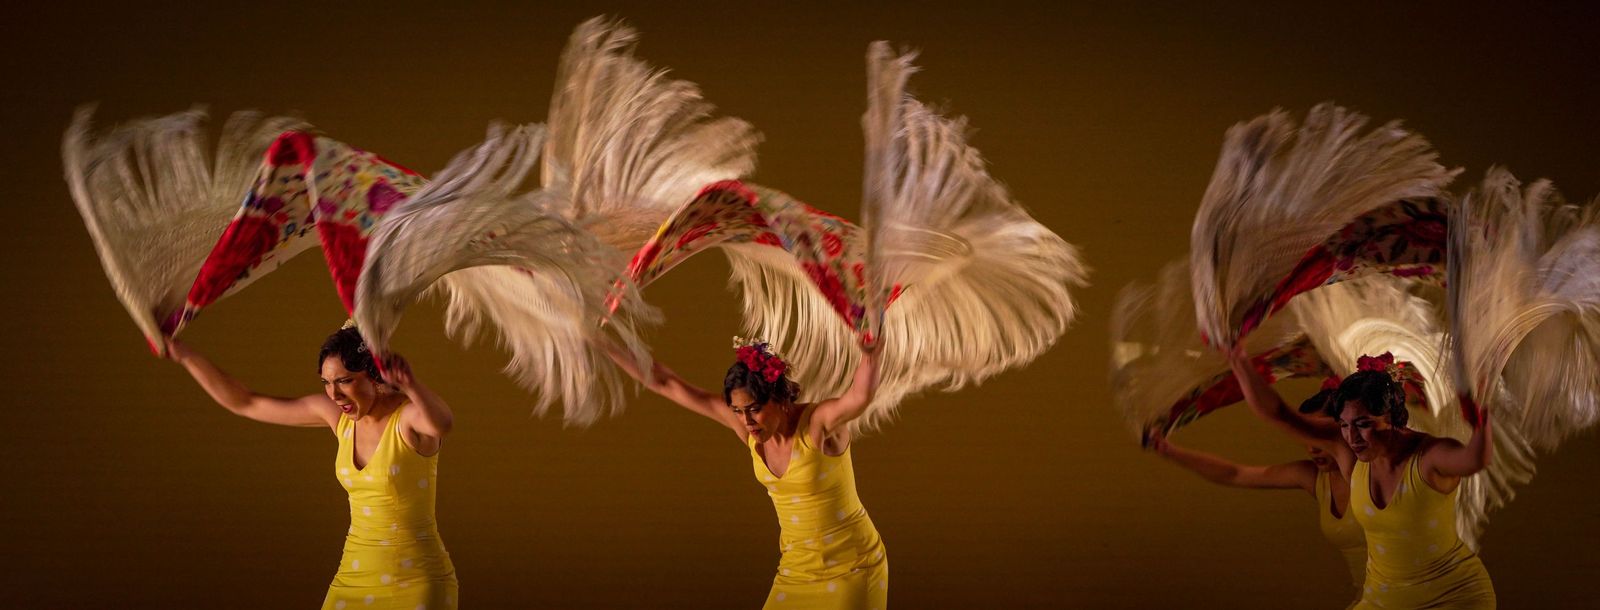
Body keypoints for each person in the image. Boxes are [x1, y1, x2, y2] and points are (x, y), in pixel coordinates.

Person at [165, 323, 458, 609]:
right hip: (353, 577)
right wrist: (186, 355)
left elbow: (442, 423)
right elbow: (247, 403)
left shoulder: (407, 417)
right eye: (326, 383)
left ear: (373, 376)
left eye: (345, 380)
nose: (334, 394)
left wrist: (412, 385)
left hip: (416, 581)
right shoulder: (339, 419)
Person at [605, 337, 889, 609]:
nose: (746, 421)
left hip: (852, 567)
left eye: (754, 409)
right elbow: (665, 382)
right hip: (797, 570)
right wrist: (598, 337)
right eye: (738, 411)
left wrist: (870, 353)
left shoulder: (818, 424)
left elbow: (860, 396)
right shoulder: (749, 430)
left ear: (778, 398)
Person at [1230, 348, 1495, 609]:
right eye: (1344, 425)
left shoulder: (1428, 456)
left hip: (1454, 598)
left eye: (1364, 424)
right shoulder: (1349, 453)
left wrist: (1481, 414)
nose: (1352, 438)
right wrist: (1238, 358)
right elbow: (1279, 414)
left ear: (1392, 417)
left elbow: (1474, 459)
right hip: (1383, 601)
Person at [1147, 386, 1366, 601]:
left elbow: (1278, 412)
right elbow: (1235, 474)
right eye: (1305, 439)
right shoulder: (1314, 478)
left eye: (1318, 437)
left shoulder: (1371, 473)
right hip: (1368, 597)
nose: (1312, 449)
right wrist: (1169, 451)